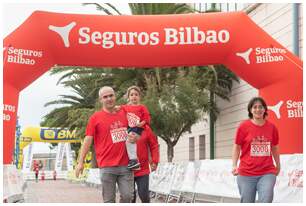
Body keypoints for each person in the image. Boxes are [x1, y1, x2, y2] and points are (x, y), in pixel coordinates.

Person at [75, 86, 134, 203]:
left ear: (115, 96)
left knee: (128, 197)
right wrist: (80, 162)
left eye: (111, 95)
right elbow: (88, 140)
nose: (109, 99)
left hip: (125, 165)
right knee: (109, 200)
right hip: (106, 166)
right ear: (101, 100)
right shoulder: (95, 118)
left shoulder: (124, 112)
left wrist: (134, 136)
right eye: (105, 97)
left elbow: (138, 120)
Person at [232, 97, 280, 203]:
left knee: (266, 198)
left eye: (260, 107)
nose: (258, 109)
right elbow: (237, 147)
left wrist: (278, 165)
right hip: (246, 173)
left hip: (267, 172)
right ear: (250, 110)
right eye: (255, 107)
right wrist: (234, 165)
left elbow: (275, 147)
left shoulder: (272, 127)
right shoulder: (243, 126)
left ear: (265, 110)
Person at [122, 86, 151, 170]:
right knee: (127, 142)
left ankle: (134, 161)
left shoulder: (142, 107)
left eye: (136, 94)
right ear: (128, 97)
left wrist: (142, 123)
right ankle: (132, 161)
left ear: (139, 96)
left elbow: (147, 117)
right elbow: (119, 109)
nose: (134, 96)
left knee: (130, 139)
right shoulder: (126, 107)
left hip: (137, 127)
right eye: (131, 95)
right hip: (129, 127)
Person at [129, 125, 159, 203]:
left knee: (144, 195)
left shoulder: (146, 128)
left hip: (142, 169)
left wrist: (155, 161)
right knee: (130, 197)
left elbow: (154, 145)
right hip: (127, 170)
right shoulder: (123, 124)